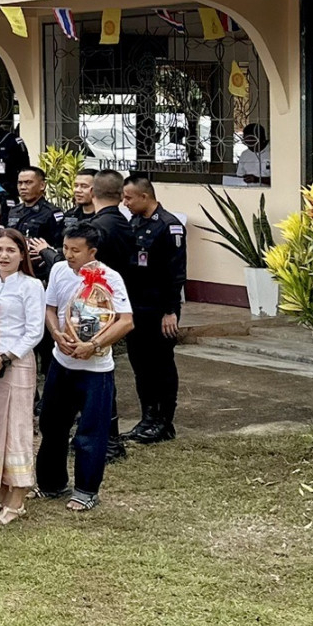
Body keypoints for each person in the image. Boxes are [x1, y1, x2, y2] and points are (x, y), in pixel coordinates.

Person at [39, 226, 135, 511]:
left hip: (95, 370)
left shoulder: (110, 278)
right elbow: (50, 308)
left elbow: (125, 321)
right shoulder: (58, 270)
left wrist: (92, 345)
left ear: (92, 251)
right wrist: (56, 334)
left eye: (75, 250)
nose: (68, 255)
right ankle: (50, 483)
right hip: (61, 361)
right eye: (66, 248)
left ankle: (85, 490)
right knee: (52, 425)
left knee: (90, 432)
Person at [0, 229, 46, 525]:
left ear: (22, 255)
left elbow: (34, 330)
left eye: (11, 251)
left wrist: (5, 358)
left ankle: (18, 496)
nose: (3, 256)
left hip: (14, 362)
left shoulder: (31, 286)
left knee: (15, 428)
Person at [121, 174, 187, 445]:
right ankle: (147, 418)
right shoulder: (135, 222)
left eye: (129, 198)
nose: (124, 203)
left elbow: (176, 272)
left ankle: (164, 421)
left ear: (144, 197)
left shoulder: (169, 227)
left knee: (160, 364)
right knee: (140, 364)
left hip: (160, 309)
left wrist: (171, 310)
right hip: (136, 306)